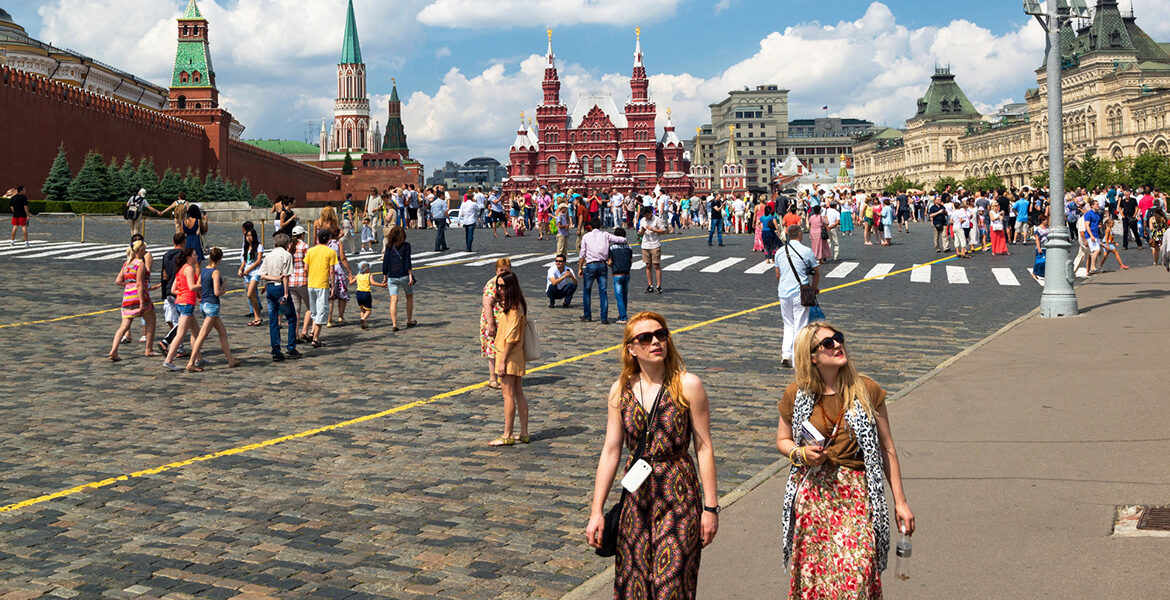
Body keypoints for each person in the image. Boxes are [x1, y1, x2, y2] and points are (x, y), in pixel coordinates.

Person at [585, 312, 719, 598]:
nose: (656, 341)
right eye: (645, 338)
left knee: (671, 587)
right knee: (634, 584)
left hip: (679, 495)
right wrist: (596, 511)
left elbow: (704, 447)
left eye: (661, 335)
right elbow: (610, 451)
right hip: (636, 499)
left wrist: (710, 508)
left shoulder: (688, 385)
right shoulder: (620, 391)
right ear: (631, 349)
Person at [777, 323, 915, 599]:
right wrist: (801, 454)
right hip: (814, 497)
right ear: (812, 356)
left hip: (856, 496)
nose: (837, 345)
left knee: (857, 574)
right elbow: (782, 440)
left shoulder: (865, 389)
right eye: (827, 343)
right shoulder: (798, 394)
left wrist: (900, 501)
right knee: (816, 580)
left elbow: (887, 449)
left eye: (838, 339)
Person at [488, 271, 529, 447]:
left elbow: (511, 338)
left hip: (508, 355)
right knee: (518, 393)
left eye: (503, 286)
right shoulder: (517, 305)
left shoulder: (513, 309)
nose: (499, 289)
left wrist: (502, 362)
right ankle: (524, 433)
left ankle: (507, 434)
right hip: (515, 355)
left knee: (508, 395)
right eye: (498, 286)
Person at [185, 247, 242, 371]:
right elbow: (216, 292)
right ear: (220, 259)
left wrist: (205, 290)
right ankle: (191, 362)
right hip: (212, 305)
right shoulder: (216, 272)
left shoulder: (204, 270)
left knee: (222, 332)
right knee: (202, 335)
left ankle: (230, 359)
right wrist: (223, 289)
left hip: (204, 304)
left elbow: (198, 285)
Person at [776, 225, 819, 369]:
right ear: (800, 234)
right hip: (800, 292)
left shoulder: (780, 251)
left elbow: (778, 274)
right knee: (801, 325)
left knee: (788, 324)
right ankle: (797, 357)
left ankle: (786, 354)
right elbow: (817, 272)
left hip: (783, 292)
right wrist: (814, 287)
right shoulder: (806, 251)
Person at [108, 241, 155, 361]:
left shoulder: (127, 263)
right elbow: (139, 284)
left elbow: (118, 281)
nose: (145, 252)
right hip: (139, 296)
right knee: (151, 321)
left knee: (124, 326)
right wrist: (141, 302)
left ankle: (114, 350)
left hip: (127, 297)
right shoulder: (140, 264)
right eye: (144, 250)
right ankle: (148, 349)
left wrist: (128, 285)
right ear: (140, 251)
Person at [258, 233, 300, 361]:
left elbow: (262, 275)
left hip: (270, 287)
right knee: (292, 317)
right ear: (287, 244)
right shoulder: (286, 255)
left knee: (273, 320)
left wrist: (274, 278)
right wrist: (286, 293)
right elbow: (286, 276)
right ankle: (291, 347)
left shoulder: (269, 255)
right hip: (281, 287)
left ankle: (275, 349)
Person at [577, 219, 626, 324]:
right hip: (602, 265)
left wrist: (580, 268)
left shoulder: (586, 236)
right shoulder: (605, 235)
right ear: (600, 226)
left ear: (590, 226)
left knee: (587, 291)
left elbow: (582, 254)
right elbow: (620, 240)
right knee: (603, 292)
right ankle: (604, 318)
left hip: (590, 265)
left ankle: (587, 315)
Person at [162, 248, 202, 371]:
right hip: (186, 303)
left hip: (180, 302)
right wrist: (204, 285)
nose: (196, 257)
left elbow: (174, 289)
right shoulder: (189, 268)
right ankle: (169, 360)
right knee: (180, 334)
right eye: (194, 255)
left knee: (196, 332)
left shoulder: (181, 268)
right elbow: (192, 286)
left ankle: (198, 358)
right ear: (189, 257)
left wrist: (183, 292)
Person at [481, 258, 513, 390]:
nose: (503, 272)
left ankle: (504, 376)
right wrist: (491, 324)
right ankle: (492, 378)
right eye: (501, 270)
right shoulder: (492, 284)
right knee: (492, 349)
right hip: (493, 320)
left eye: (506, 270)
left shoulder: (511, 282)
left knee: (505, 348)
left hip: (506, 321)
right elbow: (487, 304)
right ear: (496, 270)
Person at [304, 229, 337, 348]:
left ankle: (313, 332)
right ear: (328, 239)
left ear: (318, 239)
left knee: (314, 311)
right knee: (321, 310)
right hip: (322, 284)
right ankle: (316, 338)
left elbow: (306, 269)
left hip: (311, 284)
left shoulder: (310, 251)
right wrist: (333, 286)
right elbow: (332, 271)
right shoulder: (330, 252)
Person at [381, 225, 417, 332]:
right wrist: (410, 275)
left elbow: (385, 262)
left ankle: (394, 323)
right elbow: (407, 261)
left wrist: (384, 276)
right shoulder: (406, 246)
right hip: (404, 275)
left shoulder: (388, 246)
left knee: (393, 300)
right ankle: (409, 320)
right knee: (409, 297)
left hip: (392, 276)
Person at [288, 225, 312, 343]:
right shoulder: (304, 246)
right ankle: (305, 331)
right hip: (303, 279)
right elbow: (308, 263)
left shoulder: (289, 247)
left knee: (296, 310)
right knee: (310, 307)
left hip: (291, 280)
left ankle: (295, 334)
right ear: (302, 235)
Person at [238, 225, 264, 326]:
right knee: (251, 296)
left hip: (255, 272)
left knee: (250, 294)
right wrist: (241, 269)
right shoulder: (246, 247)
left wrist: (248, 270)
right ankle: (257, 316)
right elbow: (244, 261)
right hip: (247, 273)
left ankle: (258, 316)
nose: (249, 237)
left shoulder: (259, 246)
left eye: (251, 236)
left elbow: (258, 261)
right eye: (247, 236)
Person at [349, 261, 386, 329]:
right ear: (366, 269)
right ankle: (363, 319)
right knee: (368, 310)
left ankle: (363, 324)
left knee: (362, 309)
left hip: (358, 293)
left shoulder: (358, 275)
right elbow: (373, 283)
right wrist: (382, 285)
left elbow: (351, 283)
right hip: (366, 293)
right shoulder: (369, 275)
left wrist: (350, 278)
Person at [638, 206, 666, 294]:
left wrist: (653, 229)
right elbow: (639, 233)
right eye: (645, 215)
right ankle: (650, 285)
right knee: (648, 265)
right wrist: (642, 231)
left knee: (656, 265)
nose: (646, 217)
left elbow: (663, 231)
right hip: (645, 244)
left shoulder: (657, 220)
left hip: (655, 244)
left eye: (647, 215)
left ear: (651, 213)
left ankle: (658, 285)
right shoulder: (642, 220)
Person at [609, 230, 633, 324]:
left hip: (617, 273)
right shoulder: (629, 247)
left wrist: (611, 266)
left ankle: (623, 317)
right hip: (626, 273)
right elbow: (630, 261)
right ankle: (623, 313)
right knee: (624, 296)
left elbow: (610, 262)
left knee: (619, 297)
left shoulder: (612, 248)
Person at [1031, 216, 1049, 285]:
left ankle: (1044, 274)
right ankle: (1034, 272)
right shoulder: (1038, 229)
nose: (1047, 221)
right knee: (1039, 261)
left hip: (1047, 247)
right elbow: (1037, 239)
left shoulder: (1048, 228)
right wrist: (1038, 248)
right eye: (1046, 220)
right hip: (1042, 247)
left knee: (1046, 261)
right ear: (1042, 221)